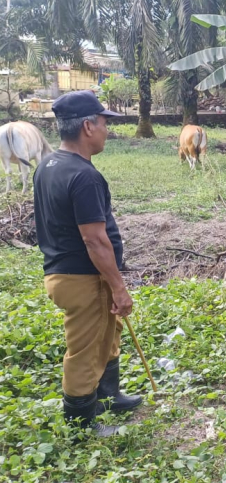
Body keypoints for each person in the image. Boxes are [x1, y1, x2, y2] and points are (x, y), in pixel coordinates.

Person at [33, 90, 141, 437]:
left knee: (107, 334)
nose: (107, 129)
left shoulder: (49, 164)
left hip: (65, 272)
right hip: (82, 276)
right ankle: (81, 423)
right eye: (104, 122)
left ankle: (108, 395)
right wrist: (119, 287)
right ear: (87, 126)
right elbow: (94, 239)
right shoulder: (84, 176)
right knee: (85, 349)